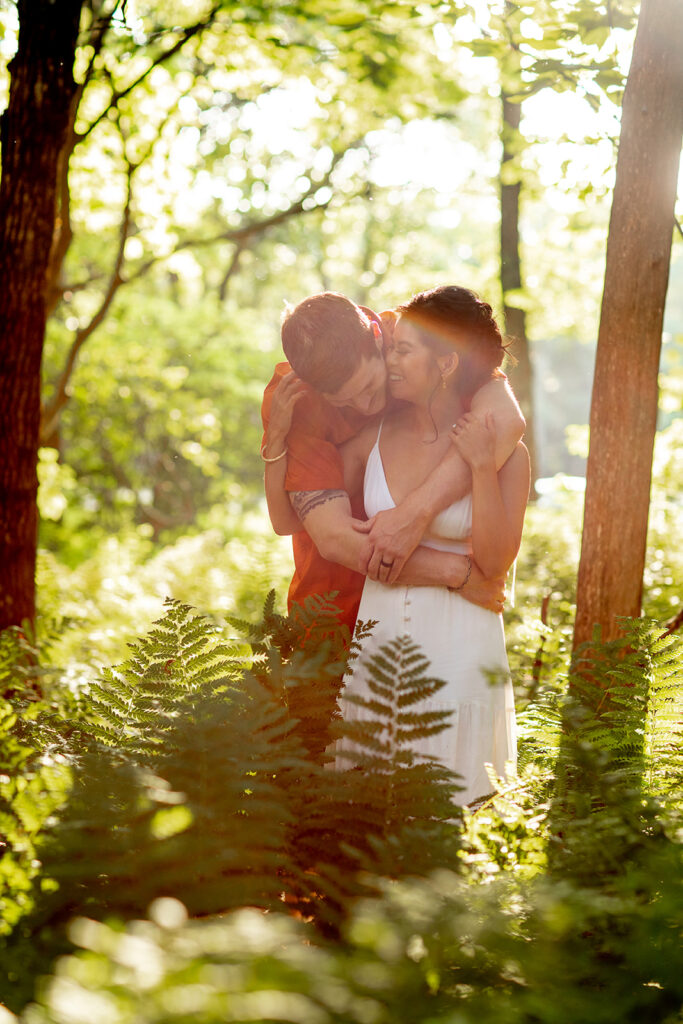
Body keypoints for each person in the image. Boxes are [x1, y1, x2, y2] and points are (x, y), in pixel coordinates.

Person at [335, 285, 530, 803]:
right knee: (364, 827)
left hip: (460, 655)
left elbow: (493, 561)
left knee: (451, 831)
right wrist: (275, 442)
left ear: (445, 364)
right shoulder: (368, 439)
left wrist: (482, 467)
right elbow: (301, 521)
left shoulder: (504, 452)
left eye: (403, 349)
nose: (388, 359)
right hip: (376, 654)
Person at [261, 292, 525, 635]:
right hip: (332, 603)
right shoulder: (295, 397)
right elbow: (331, 538)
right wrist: (455, 574)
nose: (366, 405)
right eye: (345, 402)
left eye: (370, 386)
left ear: (377, 337)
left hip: (444, 614)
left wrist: (414, 513)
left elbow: (505, 420)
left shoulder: (412, 338)